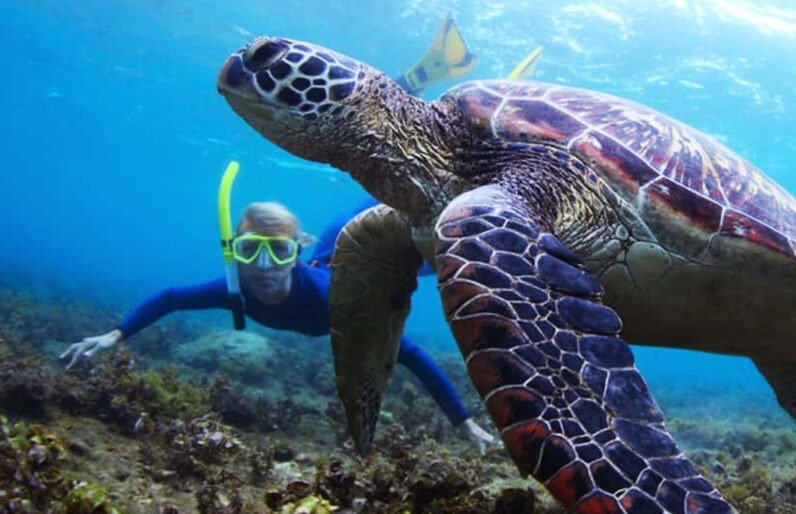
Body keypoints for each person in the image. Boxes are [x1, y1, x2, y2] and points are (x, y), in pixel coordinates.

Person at [62, 14, 541, 454]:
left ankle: (478, 130)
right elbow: (169, 298)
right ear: (235, 251)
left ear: (296, 249)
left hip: (349, 251)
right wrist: (114, 334)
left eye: (278, 250)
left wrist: (461, 422)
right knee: (392, 171)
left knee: (400, 177)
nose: (265, 265)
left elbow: (407, 353)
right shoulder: (236, 291)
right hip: (341, 249)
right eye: (252, 250)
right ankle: (437, 97)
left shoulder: (331, 296)